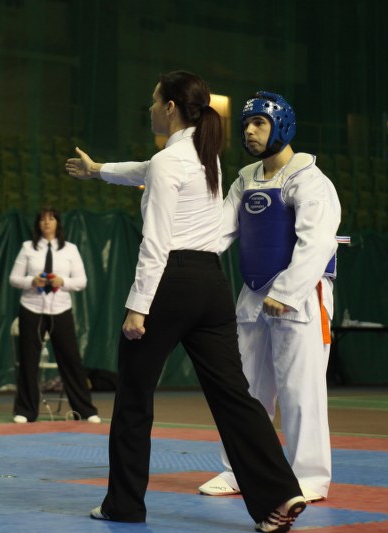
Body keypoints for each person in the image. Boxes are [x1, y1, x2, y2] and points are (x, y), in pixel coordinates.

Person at [65, 70, 306, 532]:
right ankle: (279, 493)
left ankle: (124, 505)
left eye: (155, 101)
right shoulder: (205, 155)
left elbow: (154, 242)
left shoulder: (170, 162)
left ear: (171, 107)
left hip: (169, 284)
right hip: (211, 285)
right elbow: (146, 170)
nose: (151, 108)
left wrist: (139, 305)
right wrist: (99, 171)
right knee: (234, 395)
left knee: (134, 398)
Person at [194, 92, 341, 502]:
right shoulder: (245, 179)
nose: (250, 131)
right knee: (244, 388)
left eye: (258, 123)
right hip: (254, 293)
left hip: (301, 297)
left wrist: (288, 291)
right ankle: (238, 468)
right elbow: (219, 232)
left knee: (300, 388)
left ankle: (309, 476)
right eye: (245, 125)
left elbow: (317, 242)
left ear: (283, 126)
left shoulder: (310, 180)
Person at [9, 207, 101, 424]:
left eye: (51, 219)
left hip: (60, 309)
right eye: (42, 220)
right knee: (29, 360)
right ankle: (25, 411)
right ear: (38, 224)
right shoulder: (27, 248)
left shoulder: (70, 249)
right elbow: (14, 279)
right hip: (31, 308)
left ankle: (85, 410)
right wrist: (31, 281)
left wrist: (63, 282)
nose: (47, 223)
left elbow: (81, 282)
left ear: (58, 223)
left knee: (71, 360)